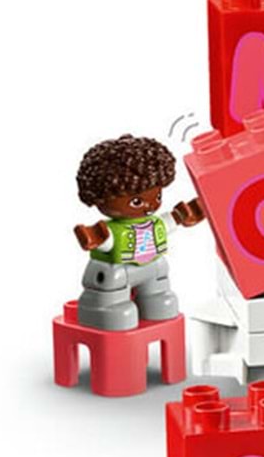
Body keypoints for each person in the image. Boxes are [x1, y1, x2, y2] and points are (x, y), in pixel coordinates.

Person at [73, 134, 205, 331]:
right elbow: (104, 239)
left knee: (161, 297)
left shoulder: (155, 222)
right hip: (117, 271)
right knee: (116, 302)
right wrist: (94, 237)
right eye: (137, 202)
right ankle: (106, 307)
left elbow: (171, 220)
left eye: (157, 196)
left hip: (152, 267)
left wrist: (184, 215)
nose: (150, 207)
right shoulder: (114, 230)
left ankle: (154, 298)